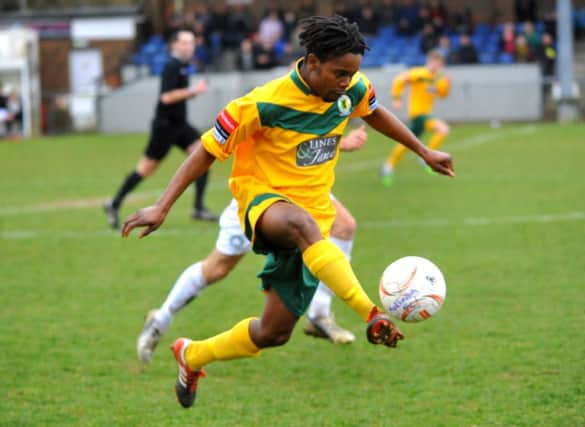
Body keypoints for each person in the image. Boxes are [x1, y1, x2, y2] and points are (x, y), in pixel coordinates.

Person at [122, 16, 454, 409]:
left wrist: (423, 150)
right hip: (263, 203)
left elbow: (374, 110)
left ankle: (191, 355)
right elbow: (207, 150)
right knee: (299, 225)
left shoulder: (350, 90)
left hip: (314, 220)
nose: (346, 82)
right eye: (339, 73)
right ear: (312, 62)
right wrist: (162, 206)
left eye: (352, 74)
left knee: (273, 333)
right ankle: (369, 312)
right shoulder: (263, 102)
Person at [136, 126, 370, 364]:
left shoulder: (324, 97)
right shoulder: (272, 100)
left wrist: (340, 142)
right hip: (259, 198)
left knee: (344, 226)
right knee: (217, 268)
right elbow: (279, 141)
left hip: (302, 194)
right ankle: (161, 318)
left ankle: (319, 314)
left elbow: (308, 135)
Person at [103, 30, 217, 229]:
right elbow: (166, 98)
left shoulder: (183, 66)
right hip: (165, 127)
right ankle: (114, 204)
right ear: (174, 45)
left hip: (180, 125)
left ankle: (198, 207)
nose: (189, 47)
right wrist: (192, 92)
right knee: (146, 170)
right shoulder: (171, 66)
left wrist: (189, 93)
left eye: (191, 43)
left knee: (205, 154)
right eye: (184, 43)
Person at [381, 49, 451, 186]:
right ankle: (425, 158)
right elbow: (400, 80)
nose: (437, 67)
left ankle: (388, 166)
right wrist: (396, 98)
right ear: (429, 61)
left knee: (407, 143)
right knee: (442, 130)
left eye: (440, 64)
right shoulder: (419, 73)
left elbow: (442, 95)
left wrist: (446, 86)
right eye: (436, 63)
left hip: (425, 115)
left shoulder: (437, 78)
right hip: (418, 114)